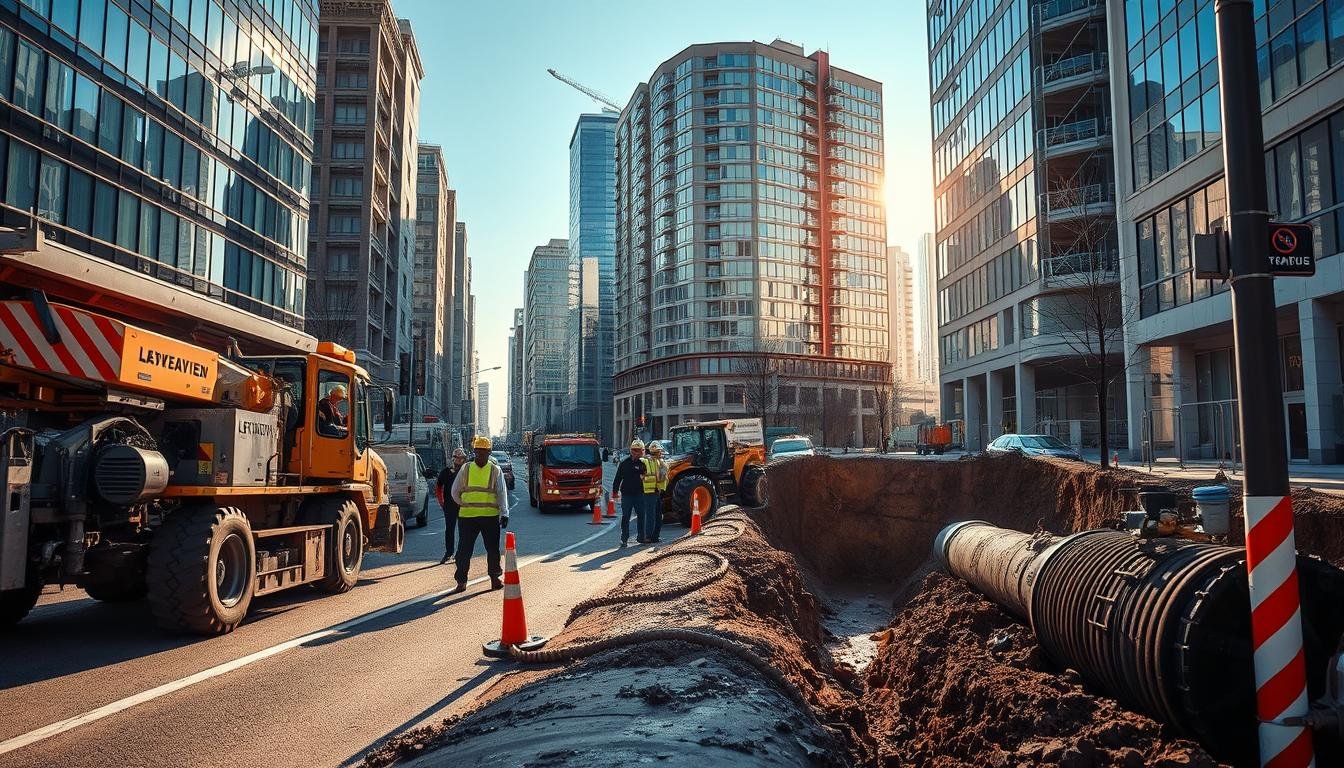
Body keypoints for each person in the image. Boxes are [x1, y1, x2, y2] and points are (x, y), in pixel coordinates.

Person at [448, 436, 509, 593]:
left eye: (483, 452)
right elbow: (455, 491)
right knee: (464, 551)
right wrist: (464, 504)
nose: (480, 455)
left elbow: (501, 493)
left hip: (486, 517)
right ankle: (461, 581)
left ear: (489, 452)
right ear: (474, 452)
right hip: (471, 517)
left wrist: (504, 513)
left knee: (492, 550)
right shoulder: (466, 468)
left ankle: (495, 578)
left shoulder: (495, 470)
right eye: (478, 452)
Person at [611, 439, 648, 548]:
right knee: (626, 517)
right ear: (631, 451)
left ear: (643, 451)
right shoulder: (624, 464)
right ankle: (624, 538)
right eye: (635, 450)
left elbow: (650, 476)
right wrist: (614, 491)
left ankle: (641, 537)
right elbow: (617, 478)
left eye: (639, 451)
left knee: (641, 515)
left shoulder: (644, 464)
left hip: (640, 494)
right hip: (627, 495)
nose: (637, 453)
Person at [435, 447, 467, 565]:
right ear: (453, 459)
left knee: (463, 530)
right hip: (449, 506)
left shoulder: (466, 472)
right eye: (458, 458)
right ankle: (449, 553)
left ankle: (460, 553)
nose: (460, 460)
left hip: (463, 505)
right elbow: (439, 488)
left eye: (462, 458)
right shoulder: (446, 472)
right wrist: (442, 503)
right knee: (450, 530)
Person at [645, 442, 669, 543]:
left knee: (653, 515)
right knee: (655, 516)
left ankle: (652, 536)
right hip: (655, 491)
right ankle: (652, 537)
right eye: (660, 452)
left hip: (651, 492)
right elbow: (662, 477)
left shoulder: (647, 461)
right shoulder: (660, 463)